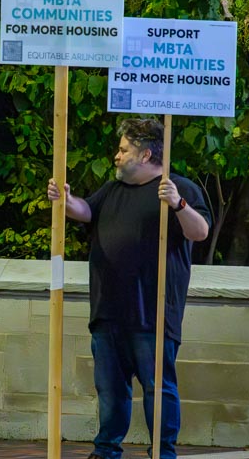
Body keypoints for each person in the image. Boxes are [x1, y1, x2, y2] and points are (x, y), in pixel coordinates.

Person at [47, 118, 210, 459]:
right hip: (108, 311)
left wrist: (179, 204)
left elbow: (200, 232)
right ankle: (106, 450)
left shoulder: (179, 189)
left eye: (123, 150)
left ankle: (162, 453)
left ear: (146, 154)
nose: (116, 156)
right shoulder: (113, 189)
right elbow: (87, 211)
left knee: (158, 389)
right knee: (110, 390)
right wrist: (65, 199)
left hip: (153, 314)